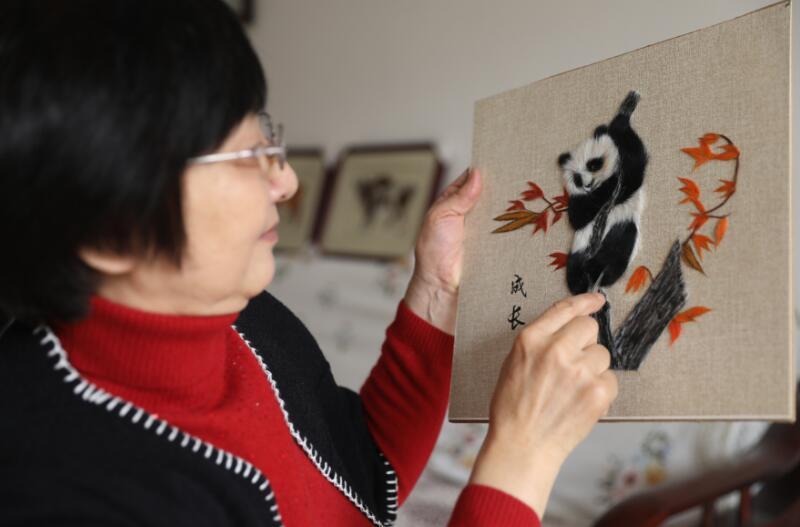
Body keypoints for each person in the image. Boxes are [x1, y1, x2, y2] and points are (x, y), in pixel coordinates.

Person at [0, 1, 617, 526]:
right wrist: (521, 458)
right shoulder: (60, 490)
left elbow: (362, 474)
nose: (288, 183)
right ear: (112, 231)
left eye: (267, 138)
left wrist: (436, 290)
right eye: (244, 157)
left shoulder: (242, 315)